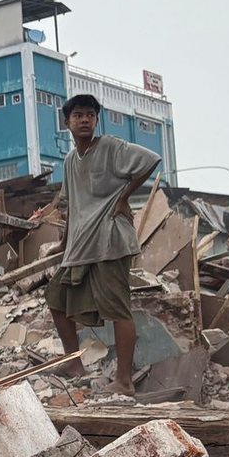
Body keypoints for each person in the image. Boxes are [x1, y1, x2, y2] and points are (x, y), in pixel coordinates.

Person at [47, 93, 161, 396]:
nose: (84, 120)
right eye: (78, 115)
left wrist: (124, 197)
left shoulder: (110, 147)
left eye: (90, 115)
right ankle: (74, 363)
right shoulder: (71, 160)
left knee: (118, 310)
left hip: (110, 241)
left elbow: (150, 161)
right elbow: (72, 204)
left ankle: (124, 381)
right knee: (56, 298)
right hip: (81, 246)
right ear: (67, 122)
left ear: (96, 120)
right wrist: (63, 242)